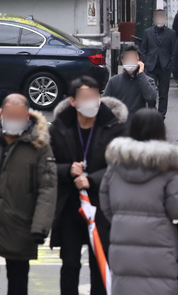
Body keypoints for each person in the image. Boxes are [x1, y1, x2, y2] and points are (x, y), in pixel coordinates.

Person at [0, 94, 56, 295]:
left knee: (18, 281)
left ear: (27, 116)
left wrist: (40, 226)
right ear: (2, 113)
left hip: (20, 224)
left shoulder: (39, 146)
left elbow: (47, 188)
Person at [99, 109, 178, 295]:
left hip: (122, 240)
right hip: (160, 243)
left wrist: (122, 219)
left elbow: (106, 205)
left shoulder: (116, 164)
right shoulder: (168, 166)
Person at [50, 76, 128, 295]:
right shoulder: (59, 128)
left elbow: (120, 166)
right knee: (71, 263)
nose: (91, 102)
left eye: (95, 97)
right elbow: (45, 167)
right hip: (69, 207)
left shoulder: (114, 127)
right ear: (73, 101)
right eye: (85, 97)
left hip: (102, 207)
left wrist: (93, 179)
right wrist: (67, 170)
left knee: (100, 264)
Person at [140, 9, 177, 119]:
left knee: (163, 93)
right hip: (151, 66)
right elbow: (143, 49)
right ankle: (152, 112)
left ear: (165, 19)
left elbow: (174, 51)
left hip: (165, 66)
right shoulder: (148, 32)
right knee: (151, 91)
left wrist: (170, 64)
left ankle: (161, 114)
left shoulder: (171, 33)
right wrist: (146, 62)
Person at [103, 45, 158, 117]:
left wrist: (141, 75)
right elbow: (104, 104)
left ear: (139, 62)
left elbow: (151, 99)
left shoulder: (148, 81)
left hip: (140, 123)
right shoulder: (114, 81)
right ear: (123, 62)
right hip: (120, 124)